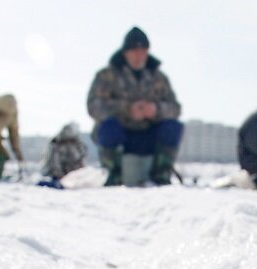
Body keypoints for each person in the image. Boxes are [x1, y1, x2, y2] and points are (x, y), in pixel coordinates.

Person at [87, 27, 183, 187]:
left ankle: (161, 175)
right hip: (121, 135)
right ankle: (114, 174)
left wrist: (155, 110)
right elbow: (93, 106)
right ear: (125, 52)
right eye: (134, 51)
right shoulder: (106, 75)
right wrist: (127, 110)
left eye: (143, 50)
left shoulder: (158, 77)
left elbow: (175, 108)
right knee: (108, 127)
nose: (139, 55)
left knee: (172, 127)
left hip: (149, 136)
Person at [39, 123, 87, 188]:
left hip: (72, 175)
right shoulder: (56, 144)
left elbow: (81, 156)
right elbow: (54, 162)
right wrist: (59, 175)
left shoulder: (76, 144)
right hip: (55, 175)